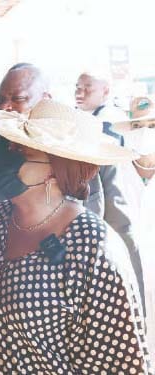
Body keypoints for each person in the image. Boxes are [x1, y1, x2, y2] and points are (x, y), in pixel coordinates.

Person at [0, 99, 151, 374]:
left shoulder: (93, 246)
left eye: (21, 151)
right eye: (10, 146)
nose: (5, 156)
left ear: (55, 170)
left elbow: (123, 366)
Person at [0, 63, 142, 306]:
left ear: (45, 99)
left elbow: (121, 229)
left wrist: (134, 302)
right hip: (8, 298)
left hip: (82, 296)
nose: (5, 106)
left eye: (17, 98)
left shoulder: (89, 151)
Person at [114, 96, 155, 359]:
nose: (145, 132)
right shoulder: (112, 170)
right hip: (127, 278)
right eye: (138, 125)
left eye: (152, 125)